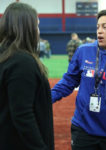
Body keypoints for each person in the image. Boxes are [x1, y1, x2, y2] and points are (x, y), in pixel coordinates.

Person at [52, 9, 106, 150]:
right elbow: (68, 81)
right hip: (83, 128)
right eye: (98, 27)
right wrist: (48, 97)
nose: (99, 31)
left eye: (105, 27)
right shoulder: (83, 51)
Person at [0, 2, 54, 150]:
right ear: (27, 28)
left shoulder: (5, 56)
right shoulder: (22, 62)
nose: (38, 31)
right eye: (36, 26)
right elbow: (23, 115)